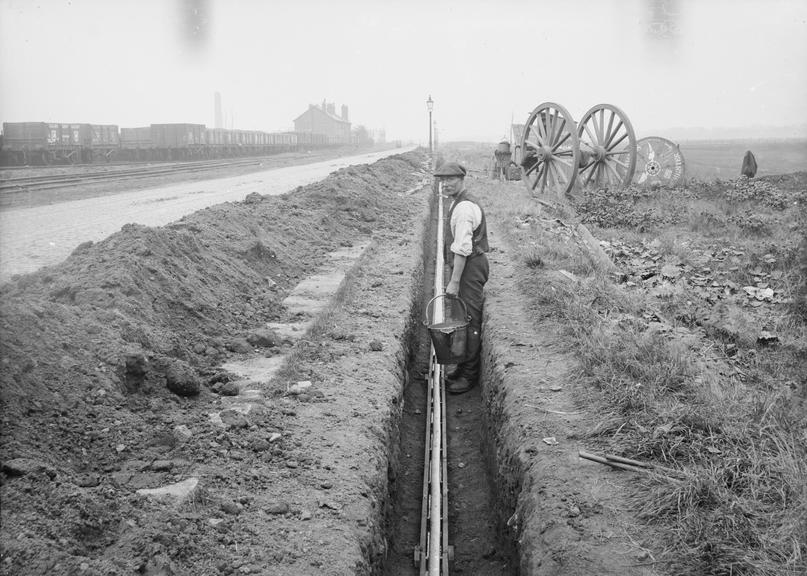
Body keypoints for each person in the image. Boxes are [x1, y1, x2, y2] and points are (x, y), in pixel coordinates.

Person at [433, 161, 490, 394]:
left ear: (462, 180)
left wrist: (454, 282)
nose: (445, 184)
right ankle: (463, 366)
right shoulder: (456, 202)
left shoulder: (464, 208)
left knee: (470, 321)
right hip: (466, 266)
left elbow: (462, 248)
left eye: (450, 180)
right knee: (463, 318)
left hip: (469, 268)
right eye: (442, 180)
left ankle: (469, 375)